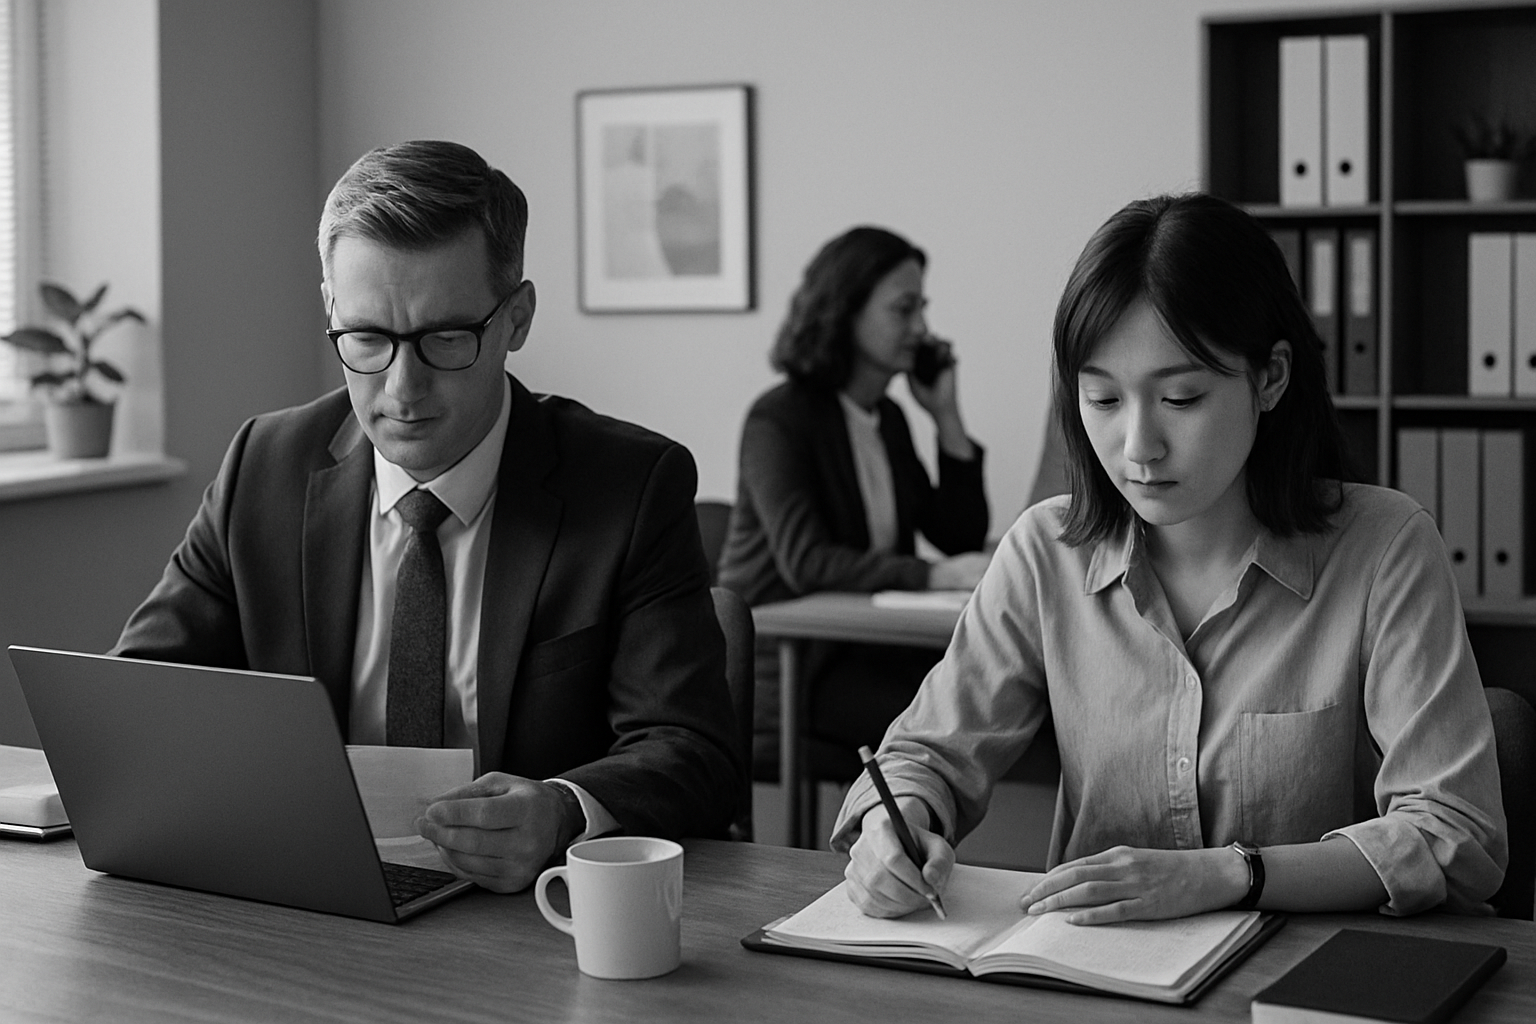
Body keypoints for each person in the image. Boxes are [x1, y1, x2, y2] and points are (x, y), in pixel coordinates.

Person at [834, 193, 1507, 922]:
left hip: (1306, 979)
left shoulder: (1384, 547)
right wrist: (889, 828)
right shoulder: (1045, 553)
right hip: (1093, 975)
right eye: (1103, 399)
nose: (1137, 447)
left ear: (1271, 377)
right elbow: (924, 755)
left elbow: (1453, 832)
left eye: (1181, 399)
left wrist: (1232, 875)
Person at [112, 140, 741, 893]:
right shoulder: (265, 466)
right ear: (330, 310)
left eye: (446, 338)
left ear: (517, 318)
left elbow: (691, 750)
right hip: (305, 900)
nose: (403, 389)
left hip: (534, 919)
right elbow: (141, 698)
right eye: (367, 338)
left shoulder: (630, 486)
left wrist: (564, 812)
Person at [717, 226, 990, 781]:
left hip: (861, 648)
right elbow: (808, 561)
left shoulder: (886, 419)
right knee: (963, 710)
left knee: (995, 686)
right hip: (791, 670)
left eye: (923, 309)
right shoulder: (779, 419)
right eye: (903, 309)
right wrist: (935, 575)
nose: (921, 329)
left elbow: (959, 534)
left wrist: (946, 419)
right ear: (845, 311)